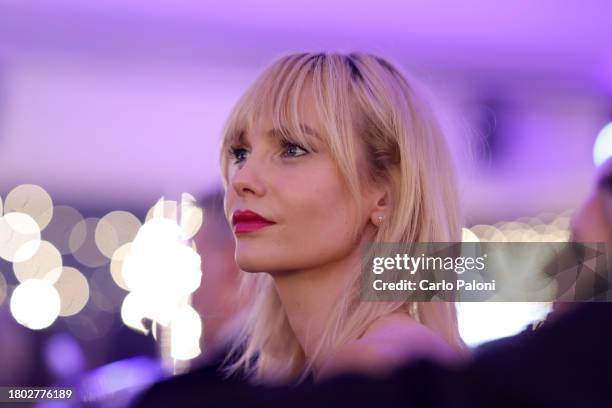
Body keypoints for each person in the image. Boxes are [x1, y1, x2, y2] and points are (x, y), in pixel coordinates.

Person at [218, 52, 467, 385]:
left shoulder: (382, 365)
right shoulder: (331, 366)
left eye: (292, 149)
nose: (242, 179)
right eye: (241, 153)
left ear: (385, 194)